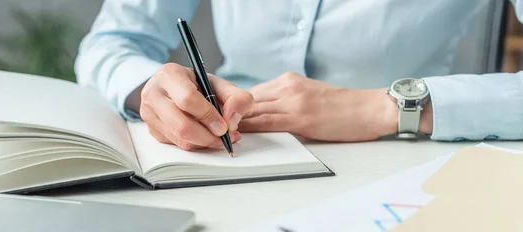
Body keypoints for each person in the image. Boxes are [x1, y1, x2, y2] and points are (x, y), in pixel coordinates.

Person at [75, 1, 523, 151]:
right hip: (220, 155)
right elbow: (110, 43)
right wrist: (148, 89)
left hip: (397, 161)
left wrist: (386, 107)